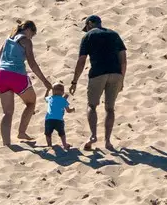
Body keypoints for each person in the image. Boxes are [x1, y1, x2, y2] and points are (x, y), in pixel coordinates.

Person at [70, 14, 127, 151]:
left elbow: (82, 61)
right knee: (110, 108)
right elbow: (123, 60)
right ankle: (107, 141)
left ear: (90, 23)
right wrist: (122, 79)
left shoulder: (88, 36)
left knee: (92, 106)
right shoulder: (114, 35)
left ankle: (93, 135)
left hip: (98, 74)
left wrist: (74, 81)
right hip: (116, 73)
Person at [0, 21, 51, 149]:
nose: (31, 38)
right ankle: (22, 132)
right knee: (31, 102)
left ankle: (6, 144)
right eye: (33, 35)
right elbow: (32, 63)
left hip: (1, 74)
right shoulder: (26, 41)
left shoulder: (8, 39)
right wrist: (45, 81)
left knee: (7, 112)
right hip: (17, 75)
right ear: (29, 30)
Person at [44, 81, 71, 147]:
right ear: (62, 92)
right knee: (62, 133)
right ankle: (64, 144)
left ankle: (49, 145)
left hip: (49, 119)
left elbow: (45, 98)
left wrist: (47, 90)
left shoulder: (50, 98)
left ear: (53, 92)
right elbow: (68, 110)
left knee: (48, 133)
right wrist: (73, 109)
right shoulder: (64, 100)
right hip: (59, 120)